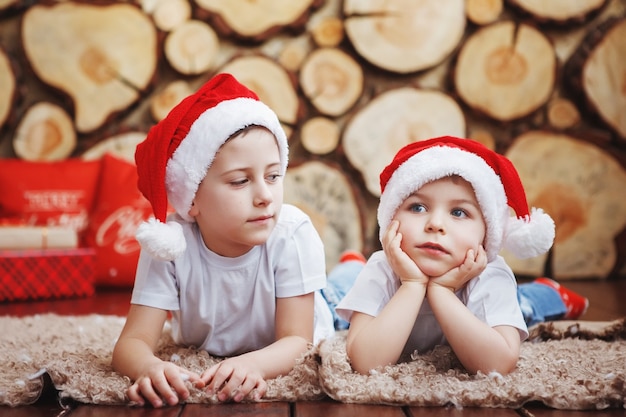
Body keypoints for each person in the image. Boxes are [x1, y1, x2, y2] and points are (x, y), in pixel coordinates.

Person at [112, 73, 336, 408]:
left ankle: (349, 264)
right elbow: (132, 341)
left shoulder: (290, 233)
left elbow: (298, 340)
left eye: (273, 176)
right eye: (240, 181)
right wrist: (150, 366)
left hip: (320, 305)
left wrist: (253, 363)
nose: (265, 196)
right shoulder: (171, 246)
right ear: (193, 199)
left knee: (347, 297)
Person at [335, 136, 588, 376]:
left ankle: (550, 294)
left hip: (499, 297)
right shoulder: (382, 268)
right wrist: (412, 285)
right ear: (391, 220)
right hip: (392, 277)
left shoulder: (489, 275)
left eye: (458, 213)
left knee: (526, 308)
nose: (435, 224)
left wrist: (442, 291)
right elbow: (364, 362)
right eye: (418, 207)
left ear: (487, 232)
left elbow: (498, 364)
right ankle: (352, 265)